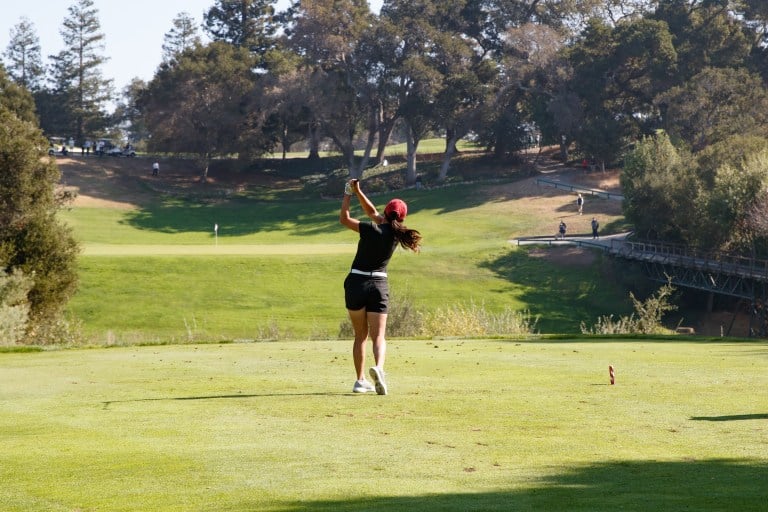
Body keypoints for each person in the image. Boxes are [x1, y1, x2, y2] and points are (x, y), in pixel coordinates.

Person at [339, 179, 422, 395]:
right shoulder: (396, 235)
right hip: (378, 285)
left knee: (360, 336)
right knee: (378, 337)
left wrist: (349, 192)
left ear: (385, 212)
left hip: (356, 282)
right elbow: (373, 211)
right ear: (402, 218)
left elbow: (345, 219)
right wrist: (359, 192)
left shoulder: (369, 229)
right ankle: (379, 369)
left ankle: (360, 381)